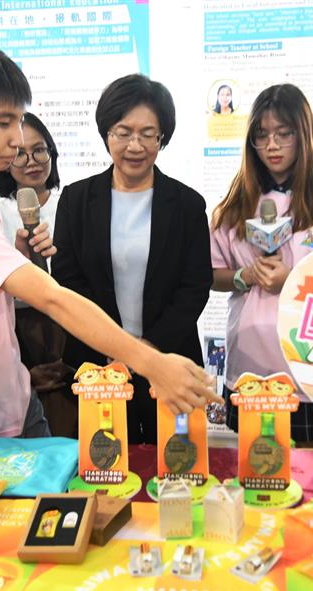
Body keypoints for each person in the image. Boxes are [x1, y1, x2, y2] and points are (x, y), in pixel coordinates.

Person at [0, 45, 219, 441]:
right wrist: (151, 362)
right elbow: (53, 296)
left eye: (19, 121)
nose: (17, 139)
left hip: (9, 395)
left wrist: (16, 258)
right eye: (3, 122)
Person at [210, 83, 313, 444]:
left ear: (303, 134)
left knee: (309, 467)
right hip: (250, 365)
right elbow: (212, 274)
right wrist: (245, 275)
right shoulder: (238, 199)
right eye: (262, 135)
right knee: (256, 461)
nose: (272, 145)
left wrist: (294, 282)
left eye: (283, 134)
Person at [53, 74, 212, 444]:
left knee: (175, 463)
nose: (135, 146)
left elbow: (194, 287)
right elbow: (67, 281)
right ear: (106, 134)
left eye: (147, 134)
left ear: (162, 138)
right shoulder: (76, 201)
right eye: (123, 133)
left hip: (170, 360)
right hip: (98, 366)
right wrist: (114, 348)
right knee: (104, 463)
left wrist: (145, 353)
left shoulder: (187, 205)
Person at [0, 113, 74, 436]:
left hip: (70, 327)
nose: (32, 161)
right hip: (17, 330)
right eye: (20, 154)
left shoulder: (72, 203)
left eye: (39, 150)